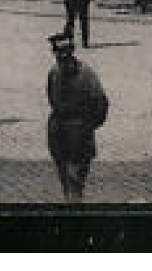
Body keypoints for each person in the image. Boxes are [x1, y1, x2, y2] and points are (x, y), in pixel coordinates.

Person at [46, 32, 109, 202]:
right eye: (59, 52)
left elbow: (101, 104)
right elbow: (52, 98)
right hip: (58, 132)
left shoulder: (87, 74)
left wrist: (87, 126)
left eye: (66, 51)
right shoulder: (53, 72)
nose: (63, 56)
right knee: (64, 177)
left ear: (72, 51)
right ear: (54, 53)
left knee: (76, 179)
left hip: (79, 132)